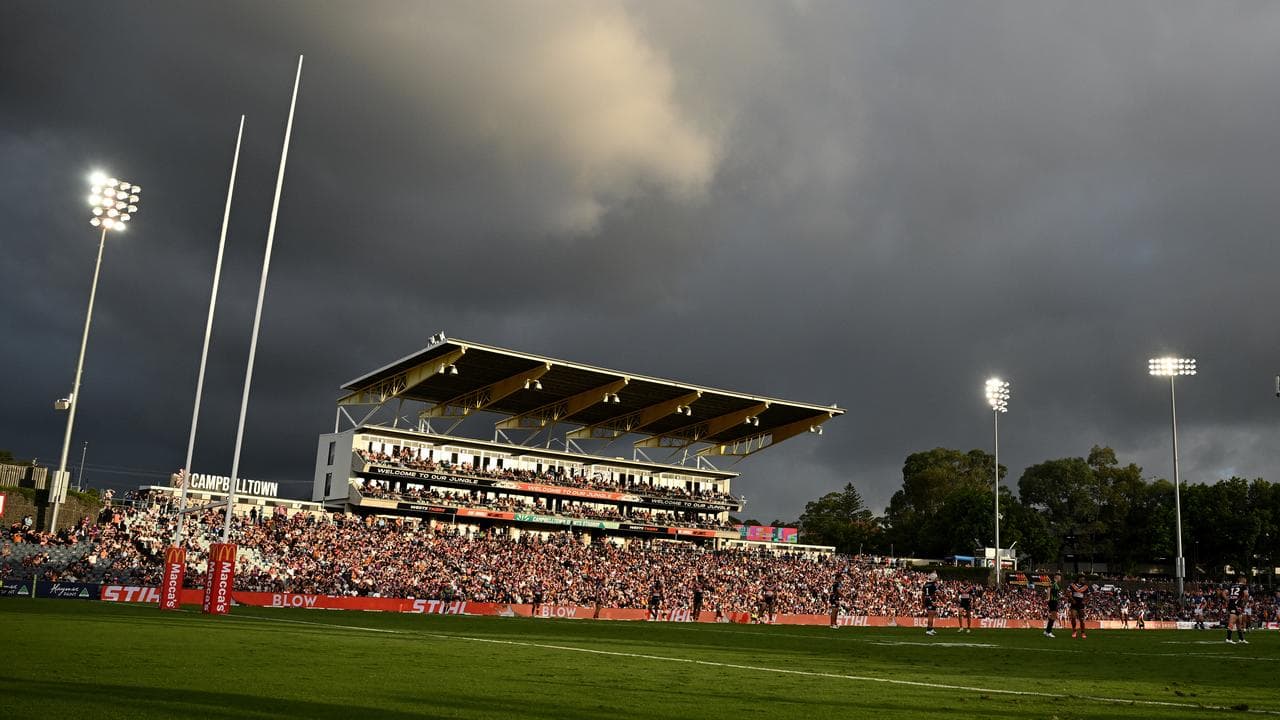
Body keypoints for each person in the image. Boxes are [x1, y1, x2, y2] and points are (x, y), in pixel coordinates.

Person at [1223, 575, 1250, 644]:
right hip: (1237, 604)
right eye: (1245, 582)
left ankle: (1241, 639)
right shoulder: (1244, 586)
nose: (1246, 583)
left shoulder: (1231, 586)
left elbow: (1223, 593)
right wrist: (1245, 602)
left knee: (1238, 622)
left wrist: (1227, 599)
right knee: (1232, 621)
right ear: (1243, 581)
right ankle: (1228, 638)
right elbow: (1246, 595)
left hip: (1232, 604)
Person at [1068, 575, 1090, 639]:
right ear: (1079, 579)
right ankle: (1074, 631)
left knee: (1082, 619)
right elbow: (1067, 592)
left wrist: (1084, 601)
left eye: (1084, 579)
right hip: (1074, 603)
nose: (1083, 580)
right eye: (1082, 579)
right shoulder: (1072, 585)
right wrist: (1072, 599)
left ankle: (1083, 632)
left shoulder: (1085, 587)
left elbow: (1088, 595)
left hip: (1081, 604)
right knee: (1073, 617)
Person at [1044, 572, 1062, 638]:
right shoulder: (1053, 582)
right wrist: (1048, 597)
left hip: (1054, 601)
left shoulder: (1056, 584)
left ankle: (1047, 631)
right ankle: (1049, 632)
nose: (1060, 578)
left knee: (1053, 616)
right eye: (1060, 577)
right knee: (1054, 616)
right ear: (1057, 577)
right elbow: (1048, 588)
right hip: (1052, 601)